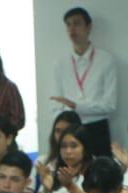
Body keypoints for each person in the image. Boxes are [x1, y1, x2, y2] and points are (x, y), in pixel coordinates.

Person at [49, 7, 118, 156]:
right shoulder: (60, 63)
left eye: (77, 23)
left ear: (88, 27)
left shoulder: (106, 60)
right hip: (69, 129)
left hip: (97, 128)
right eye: (68, 24)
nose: (72, 29)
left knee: (99, 174)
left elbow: (109, 105)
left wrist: (76, 106)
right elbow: (56, 104)